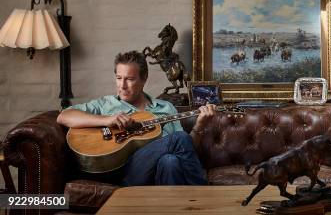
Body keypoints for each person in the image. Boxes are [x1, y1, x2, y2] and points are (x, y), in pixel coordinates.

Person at [57, 50, 214, 186]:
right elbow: (64, 116)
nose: (122, 86)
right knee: (178, 137)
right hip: (125, 171)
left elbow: (187, 149)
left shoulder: (166, 108)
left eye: (129, 79)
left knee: (170, 161)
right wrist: (107, 120)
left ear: (144, 79)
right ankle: (203, 195)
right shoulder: (105, 104)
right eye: (119, 78)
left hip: (162, 172)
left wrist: (200, 125)